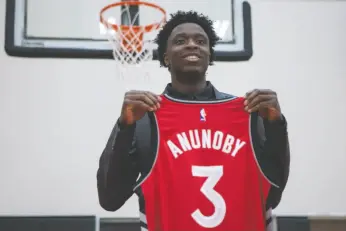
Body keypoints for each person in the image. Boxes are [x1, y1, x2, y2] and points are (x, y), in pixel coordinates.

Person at [97, 10, 290, 231]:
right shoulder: (143, 117)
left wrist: (276, 126)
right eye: (180, 41)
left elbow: (272, 196)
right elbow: (110, 200)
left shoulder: (249, 113)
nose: (192, 45)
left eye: (200, 41)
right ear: (166, 57)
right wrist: (125, 128)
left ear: (210, 55)